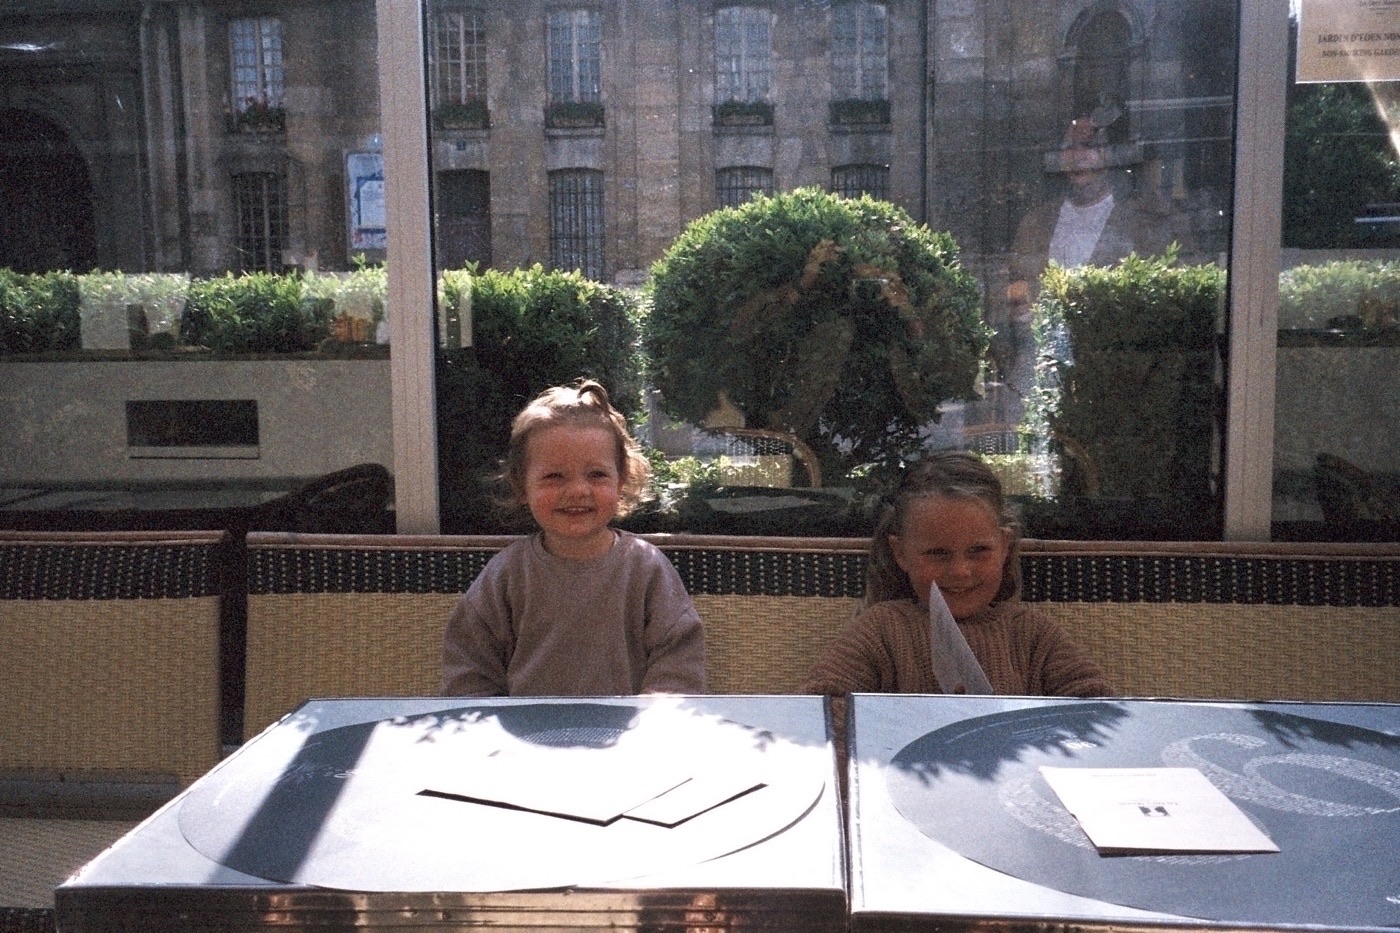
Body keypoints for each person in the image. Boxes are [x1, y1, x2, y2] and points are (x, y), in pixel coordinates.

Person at [441, 379, 705, 696]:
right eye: (554, 476)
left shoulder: (647, 569)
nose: (578, 490)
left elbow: (678, 666)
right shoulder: (506, 575)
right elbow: (470, 673)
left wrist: (651, 722)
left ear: (621, 480)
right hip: (525, 740)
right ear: (521, 484)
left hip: (628, 739)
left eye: (596, 474)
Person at [804, 451, 1110, 699]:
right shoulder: (882, 630)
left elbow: (1094, 705)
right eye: (938, 554)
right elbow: (823, 707)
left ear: (1004, 546)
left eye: (978, 551)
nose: (961, 571)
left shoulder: (1031, 635)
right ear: (900, 553)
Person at [994, 112, 1200, 417]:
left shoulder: (1147, 226)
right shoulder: (1034, 222)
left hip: (1115, 391)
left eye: (1089, 146)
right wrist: (1016, 311)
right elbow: (1004, 301)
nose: (1078, 157)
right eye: (1068, 146)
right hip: (1032, 383)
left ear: (1113, 155)